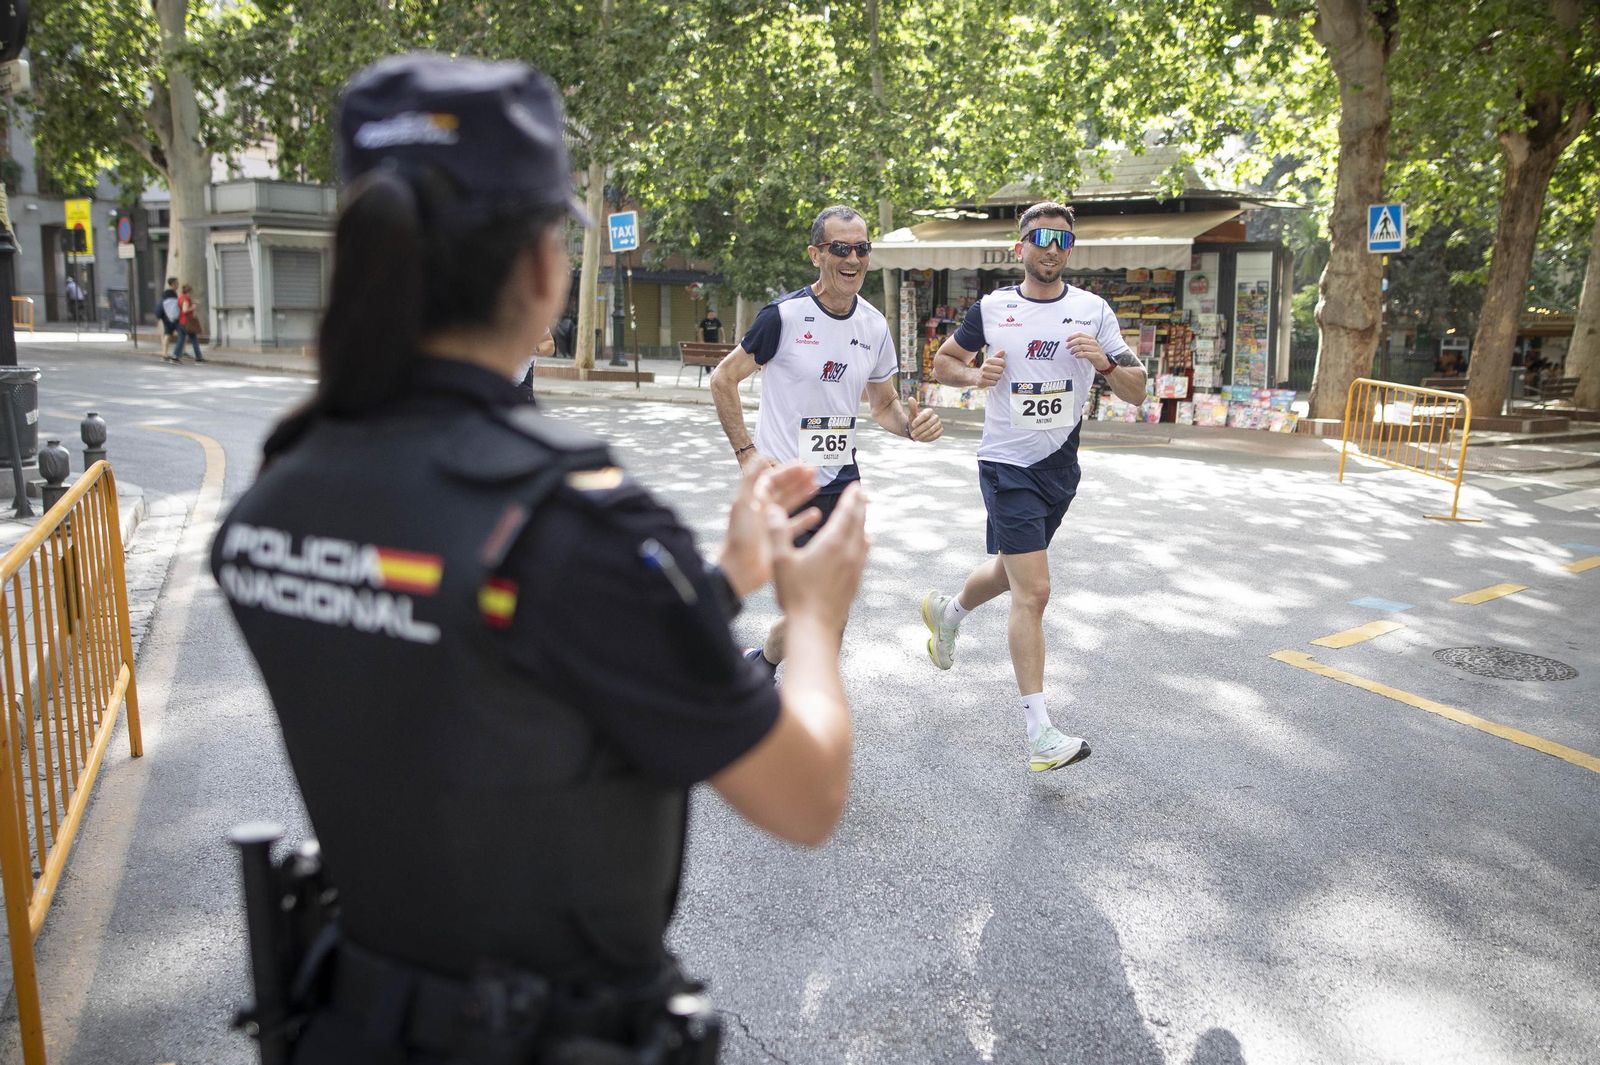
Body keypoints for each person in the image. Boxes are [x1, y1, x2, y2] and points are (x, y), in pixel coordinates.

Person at [211, 53, 869, 1064]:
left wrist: (725, 579)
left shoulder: (283, 482)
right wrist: (813, 618)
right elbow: (805, 796)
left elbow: (482, 660)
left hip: (353, 1021)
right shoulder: (571, 529)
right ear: (542, 266)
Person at [921, 202, 1147, 773]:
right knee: (1035, 591)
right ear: (1019, 246)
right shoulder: (993, 308)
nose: (1051, 249)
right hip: (1005, 464)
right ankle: (1040, 732)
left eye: (1063, 241)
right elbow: (944, 361)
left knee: (1010, 570)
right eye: (1041, 238)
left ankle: (948, 615)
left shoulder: (1093, 311)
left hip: (1060, 468)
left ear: (1070, 250)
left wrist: (1106, 365)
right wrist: (975, 375)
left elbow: (1138, 391)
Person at [708, 206, 943, 675]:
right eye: (840, 248)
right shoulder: (783, 317)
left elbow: (882, 405)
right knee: (819, 605)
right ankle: (802, 714)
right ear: (816, 254)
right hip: (787, 482)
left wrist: (911, 428)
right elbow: (723, 379)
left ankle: (764, 665)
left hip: (841, 477)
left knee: (828, 608)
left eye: (861, 248)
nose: (852, 257)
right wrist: (748, 455)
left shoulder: (874, 326)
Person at [171, 282, 206, 362]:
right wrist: (193, 307)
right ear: (189, 292)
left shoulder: (180, 297)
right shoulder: (186, 299)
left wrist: (193, 302)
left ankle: (175, 356)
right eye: (191, 292)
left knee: (181, 339)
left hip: (181, 322)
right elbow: (185, 310)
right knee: (194, 339)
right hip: (187, 322)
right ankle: (199, 357)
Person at [158, 276, 180, 358]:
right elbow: (170, 306)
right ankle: (165, 352)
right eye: (177, 283)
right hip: (169, 317)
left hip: (169, 316)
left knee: (169, 334)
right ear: (173, 284)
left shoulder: (172, 292)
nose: (178, 285)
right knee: (168, 334)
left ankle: (165, 352)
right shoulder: (169, 293)